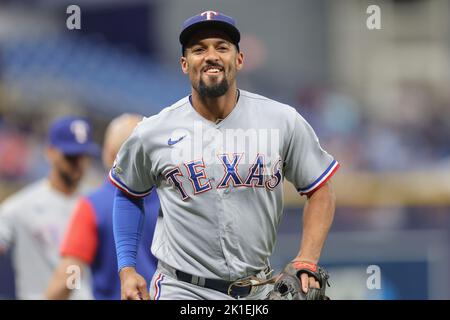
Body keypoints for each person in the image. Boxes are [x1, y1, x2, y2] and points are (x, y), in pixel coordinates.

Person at [109, 10, 340, 300]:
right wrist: (127, 268)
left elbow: (320, 189)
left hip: (258, 288)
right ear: (184, 64)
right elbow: (129, 194)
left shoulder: (282, 120)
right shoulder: (152, 132)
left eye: (222, 47)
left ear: (239, 59)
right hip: (182, 289)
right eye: (198, 49)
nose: (211, 56)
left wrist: (307, 258)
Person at [46, 114, 160, 300]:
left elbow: (70, 273)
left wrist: (64, 290)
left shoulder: (94, 205)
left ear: (108, 153)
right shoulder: (175, 202)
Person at [0, 116, 99, 299]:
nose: (78, 164)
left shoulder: (97, 202)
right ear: (50, 152)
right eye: (71, 156)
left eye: (83, 156)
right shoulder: (20, 207)